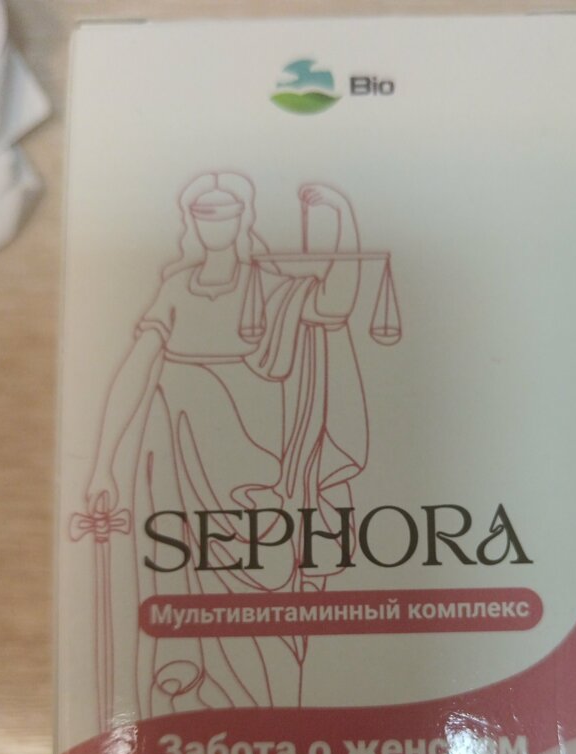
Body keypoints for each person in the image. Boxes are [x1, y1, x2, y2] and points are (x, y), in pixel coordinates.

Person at [84, 172, 369, 715]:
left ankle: (278, 720)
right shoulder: (176, 288)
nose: (215, 222)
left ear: (243, 219)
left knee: (267, 595)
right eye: (204, 213)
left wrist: (341, 216)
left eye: (226, 212)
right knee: (181, 577)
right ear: (192, 221)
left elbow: (334, 305)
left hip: (254, 467)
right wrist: (102, 464)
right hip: (177, 462)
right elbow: (134, 372)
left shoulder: (269, 286)